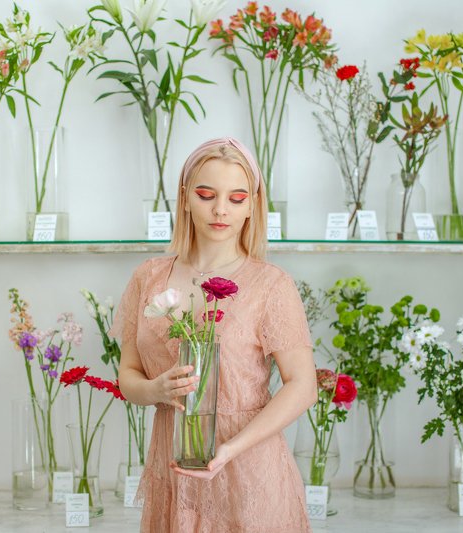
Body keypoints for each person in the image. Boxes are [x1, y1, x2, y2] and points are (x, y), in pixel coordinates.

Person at [112, 137, 317, 532]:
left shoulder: (271, 285)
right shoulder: (148, 277)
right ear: (185, 198)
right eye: (207, 195)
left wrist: (231, 449)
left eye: (237, 198)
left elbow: (303, 386)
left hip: (248, 468)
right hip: (173, 468)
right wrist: (156, 390)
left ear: (252, 206)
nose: (221, 209)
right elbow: (128, 376)